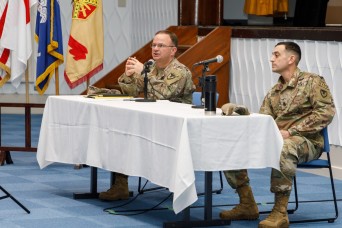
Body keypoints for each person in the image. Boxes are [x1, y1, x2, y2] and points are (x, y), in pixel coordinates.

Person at [219, 41, 335, 227]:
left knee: (285, 146)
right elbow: (264, 121)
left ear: (291, 59)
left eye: (276, 54)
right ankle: (247, 204)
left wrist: (291, 131)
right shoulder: (274, 91)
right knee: (232, 146)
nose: (271, 59)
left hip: (308, 141)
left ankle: (280, 212)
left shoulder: (313, 81)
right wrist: (242, 111)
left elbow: (326, 113)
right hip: (277, 139)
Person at [98, 30, 196, 201]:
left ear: (173, 50)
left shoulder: (180, 71)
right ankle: (120, 185)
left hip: (176, 128)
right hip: (153, 122)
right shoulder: (151, 66)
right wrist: (128, 76)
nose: (155, 49)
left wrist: (143, 72)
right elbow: (131, 91)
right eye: (154, 45)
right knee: (122, 133)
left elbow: (165, 94)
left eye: (161, 45)